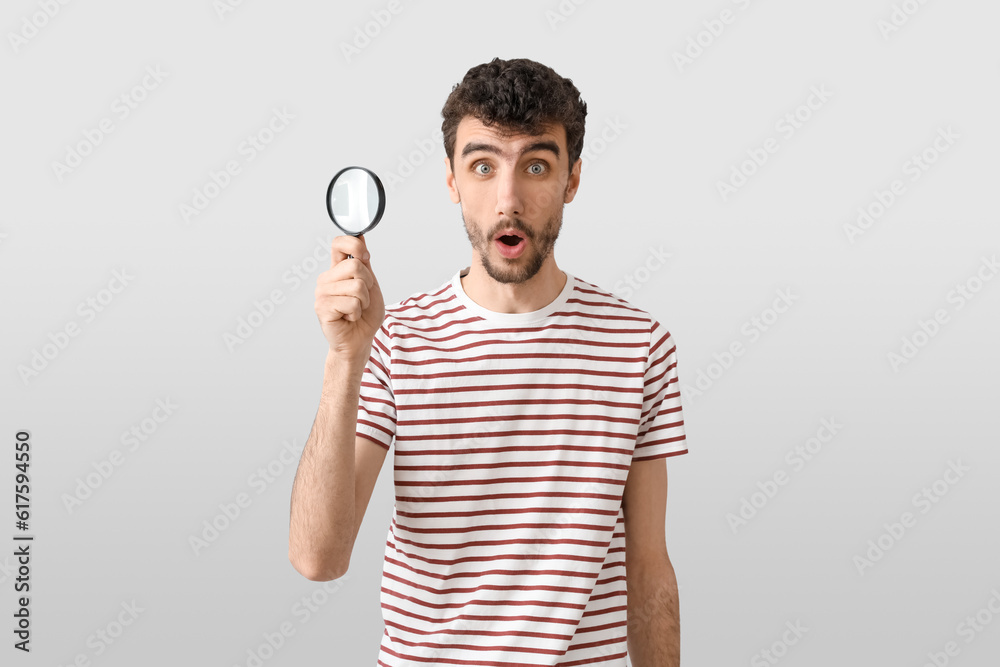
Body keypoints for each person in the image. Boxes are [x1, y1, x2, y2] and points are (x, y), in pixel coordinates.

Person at [289, 57, 688, 667]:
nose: (508, 199)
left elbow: (649, 568)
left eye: (535, 165)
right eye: (482, 166)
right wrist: (346, 358)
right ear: (452, 181)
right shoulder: (396, 339)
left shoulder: (638, 346)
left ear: (571, 180)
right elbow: (318, 558)